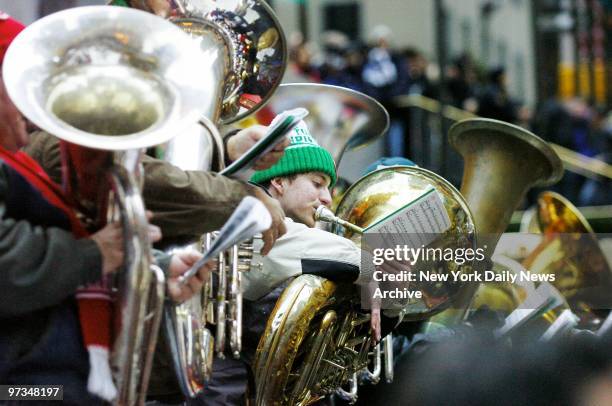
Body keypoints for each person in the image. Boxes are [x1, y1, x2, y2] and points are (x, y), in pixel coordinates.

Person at [0, 15, 212, 404]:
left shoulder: (18, 164)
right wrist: (100, 251)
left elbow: (73, 281)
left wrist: (156, 275)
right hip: (22, 388)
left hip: (63, 380)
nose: (29, 109)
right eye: (12, 86)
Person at [196, 120, 392, 405]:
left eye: (329, 189)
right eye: (316, 184)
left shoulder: (315, 241)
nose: (327, 198)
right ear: (278, 181)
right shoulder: (249, 219)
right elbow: (321, 252)